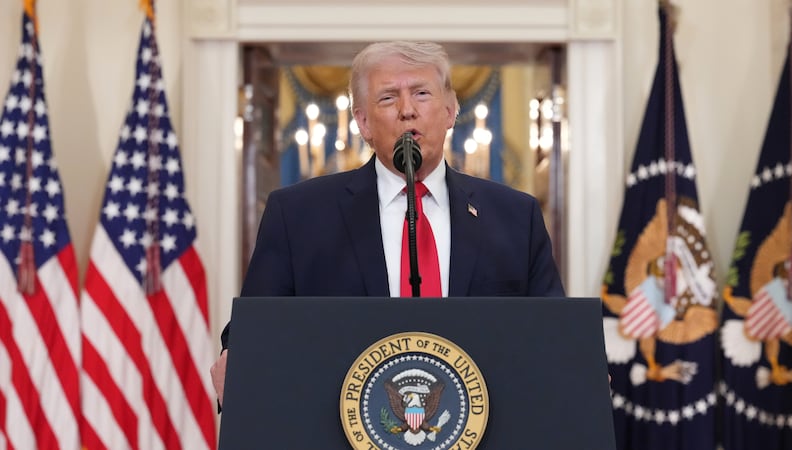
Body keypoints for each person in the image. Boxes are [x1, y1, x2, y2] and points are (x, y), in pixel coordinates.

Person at [210, 41, 565, 406]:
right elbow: (255, 329)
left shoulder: (514, 215)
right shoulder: (297, 214)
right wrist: (236, 355)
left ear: (449, 110)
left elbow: (555, 333)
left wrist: (578, 366)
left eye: (422, 93)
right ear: (363, 122)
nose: (407, 110)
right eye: (388, 98)